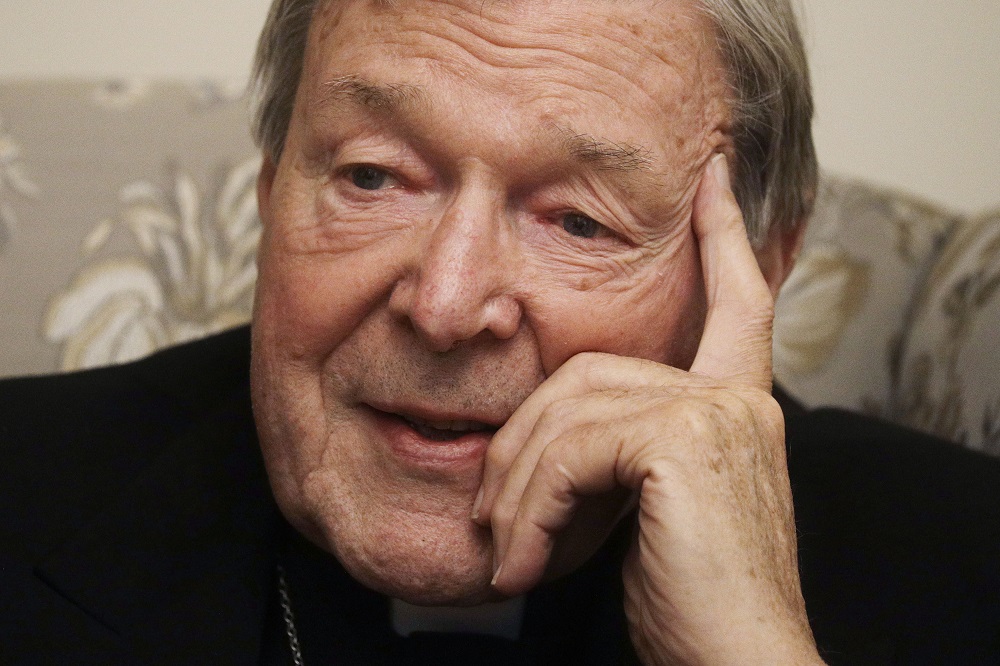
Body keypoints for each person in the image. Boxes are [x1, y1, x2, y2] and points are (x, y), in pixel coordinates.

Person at [1, 1, 998, 664]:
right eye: (372, 176)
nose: (444, 305)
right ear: (269, 191)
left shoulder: (965, 565)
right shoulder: (20, 479)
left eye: (576, 219)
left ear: (764, 264)